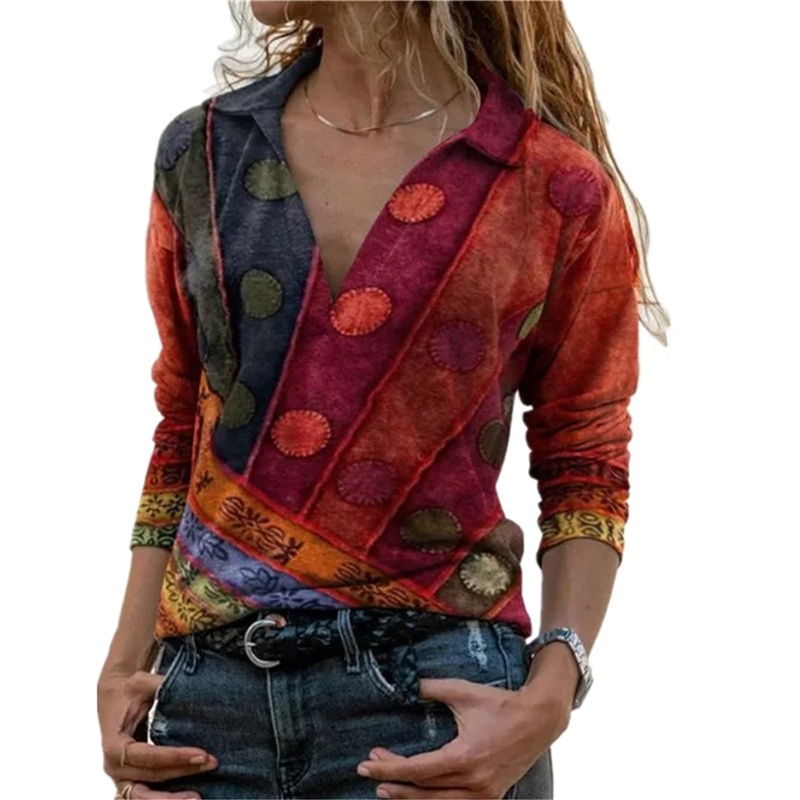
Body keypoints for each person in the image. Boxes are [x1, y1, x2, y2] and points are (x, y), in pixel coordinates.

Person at [97, 2, 670, 798]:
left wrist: (555, 684)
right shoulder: (204, 153)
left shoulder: (550, 182)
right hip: (205, 714)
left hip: (439, 710)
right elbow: (184, 422)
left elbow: (585, 451)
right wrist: (122, 668)